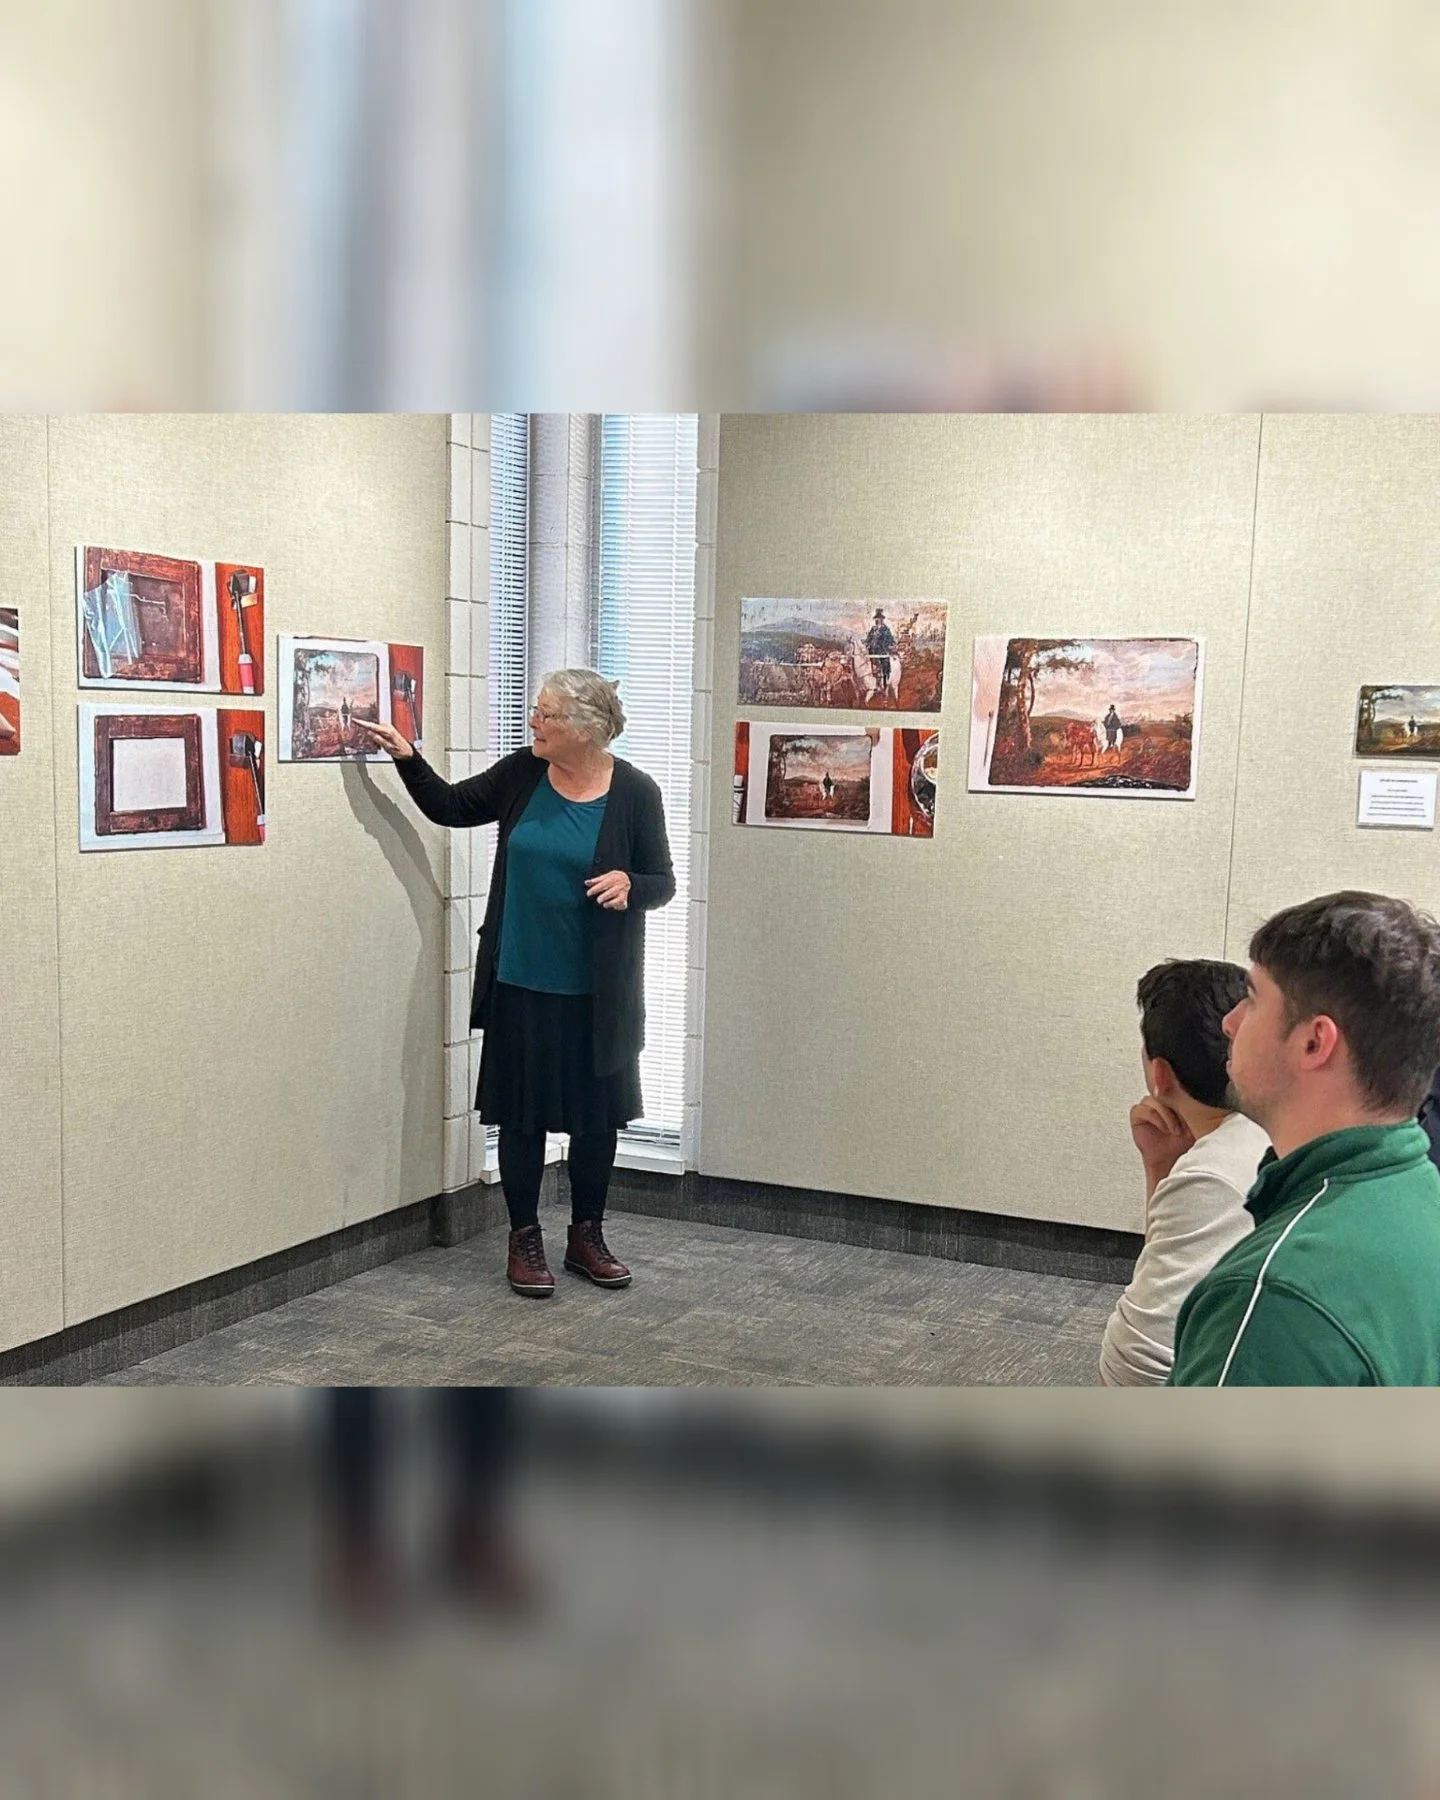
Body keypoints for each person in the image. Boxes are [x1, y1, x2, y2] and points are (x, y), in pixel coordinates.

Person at [358, 669, 675, 1298]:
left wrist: (631, 887)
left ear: (585, 729)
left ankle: (587, 1236)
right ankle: (524, 1237)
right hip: (521, 982)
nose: (534, 721)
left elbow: (661, 880)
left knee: (594, 1121)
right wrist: (405, 756)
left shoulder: (636, 792)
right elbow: (449, 807)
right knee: (522, 1119)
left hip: (597, 993)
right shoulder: (522, 774)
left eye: (546, 714)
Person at [1170, 891, 1440, 1385]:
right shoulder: (1423, 1197)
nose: (1229, 1023)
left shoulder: (1275, 1297)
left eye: (1251, 999)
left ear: (1314, 1042)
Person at [1099, 960, 1269, 1386]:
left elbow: (1138, 1359)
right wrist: (1161, 1165)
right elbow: (1173, 1281)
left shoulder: (1215, 1172)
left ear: (1160, 1074)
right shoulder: (1269, 1133)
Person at [864, 609, 896, 694]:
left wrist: (885, 646)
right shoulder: (873, 629)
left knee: (885, 668)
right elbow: (868, 639)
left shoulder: (885, 629)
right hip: (872, 653)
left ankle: (885, 686)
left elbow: (889, 640)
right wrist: (866, 643)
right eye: (876, 618)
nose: (877, 620)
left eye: (879, 618)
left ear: (882, 619)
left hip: (882, 653)